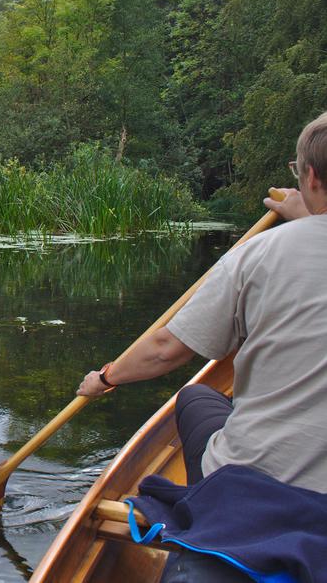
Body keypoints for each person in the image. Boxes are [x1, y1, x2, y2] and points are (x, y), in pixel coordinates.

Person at [76, 110, 327, 581]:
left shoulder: (257, 254)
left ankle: (209, 527)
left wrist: (105, 378)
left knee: (194, 398)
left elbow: (167, 350)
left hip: (262, 480)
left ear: (310, 175)